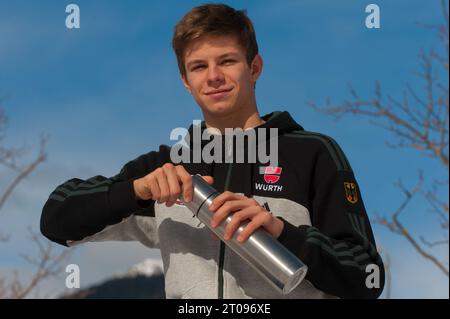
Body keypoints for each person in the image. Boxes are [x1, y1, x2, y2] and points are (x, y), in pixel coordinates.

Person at [41, 3, 384, 299]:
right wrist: (136, 190)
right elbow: (56, 219)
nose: (214, 77)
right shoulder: (166, 167)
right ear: (185, 81)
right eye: (199, 66)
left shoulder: (312, 153)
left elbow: (368, 275)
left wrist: (282, 232)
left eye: (227, 61)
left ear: (255, 68)